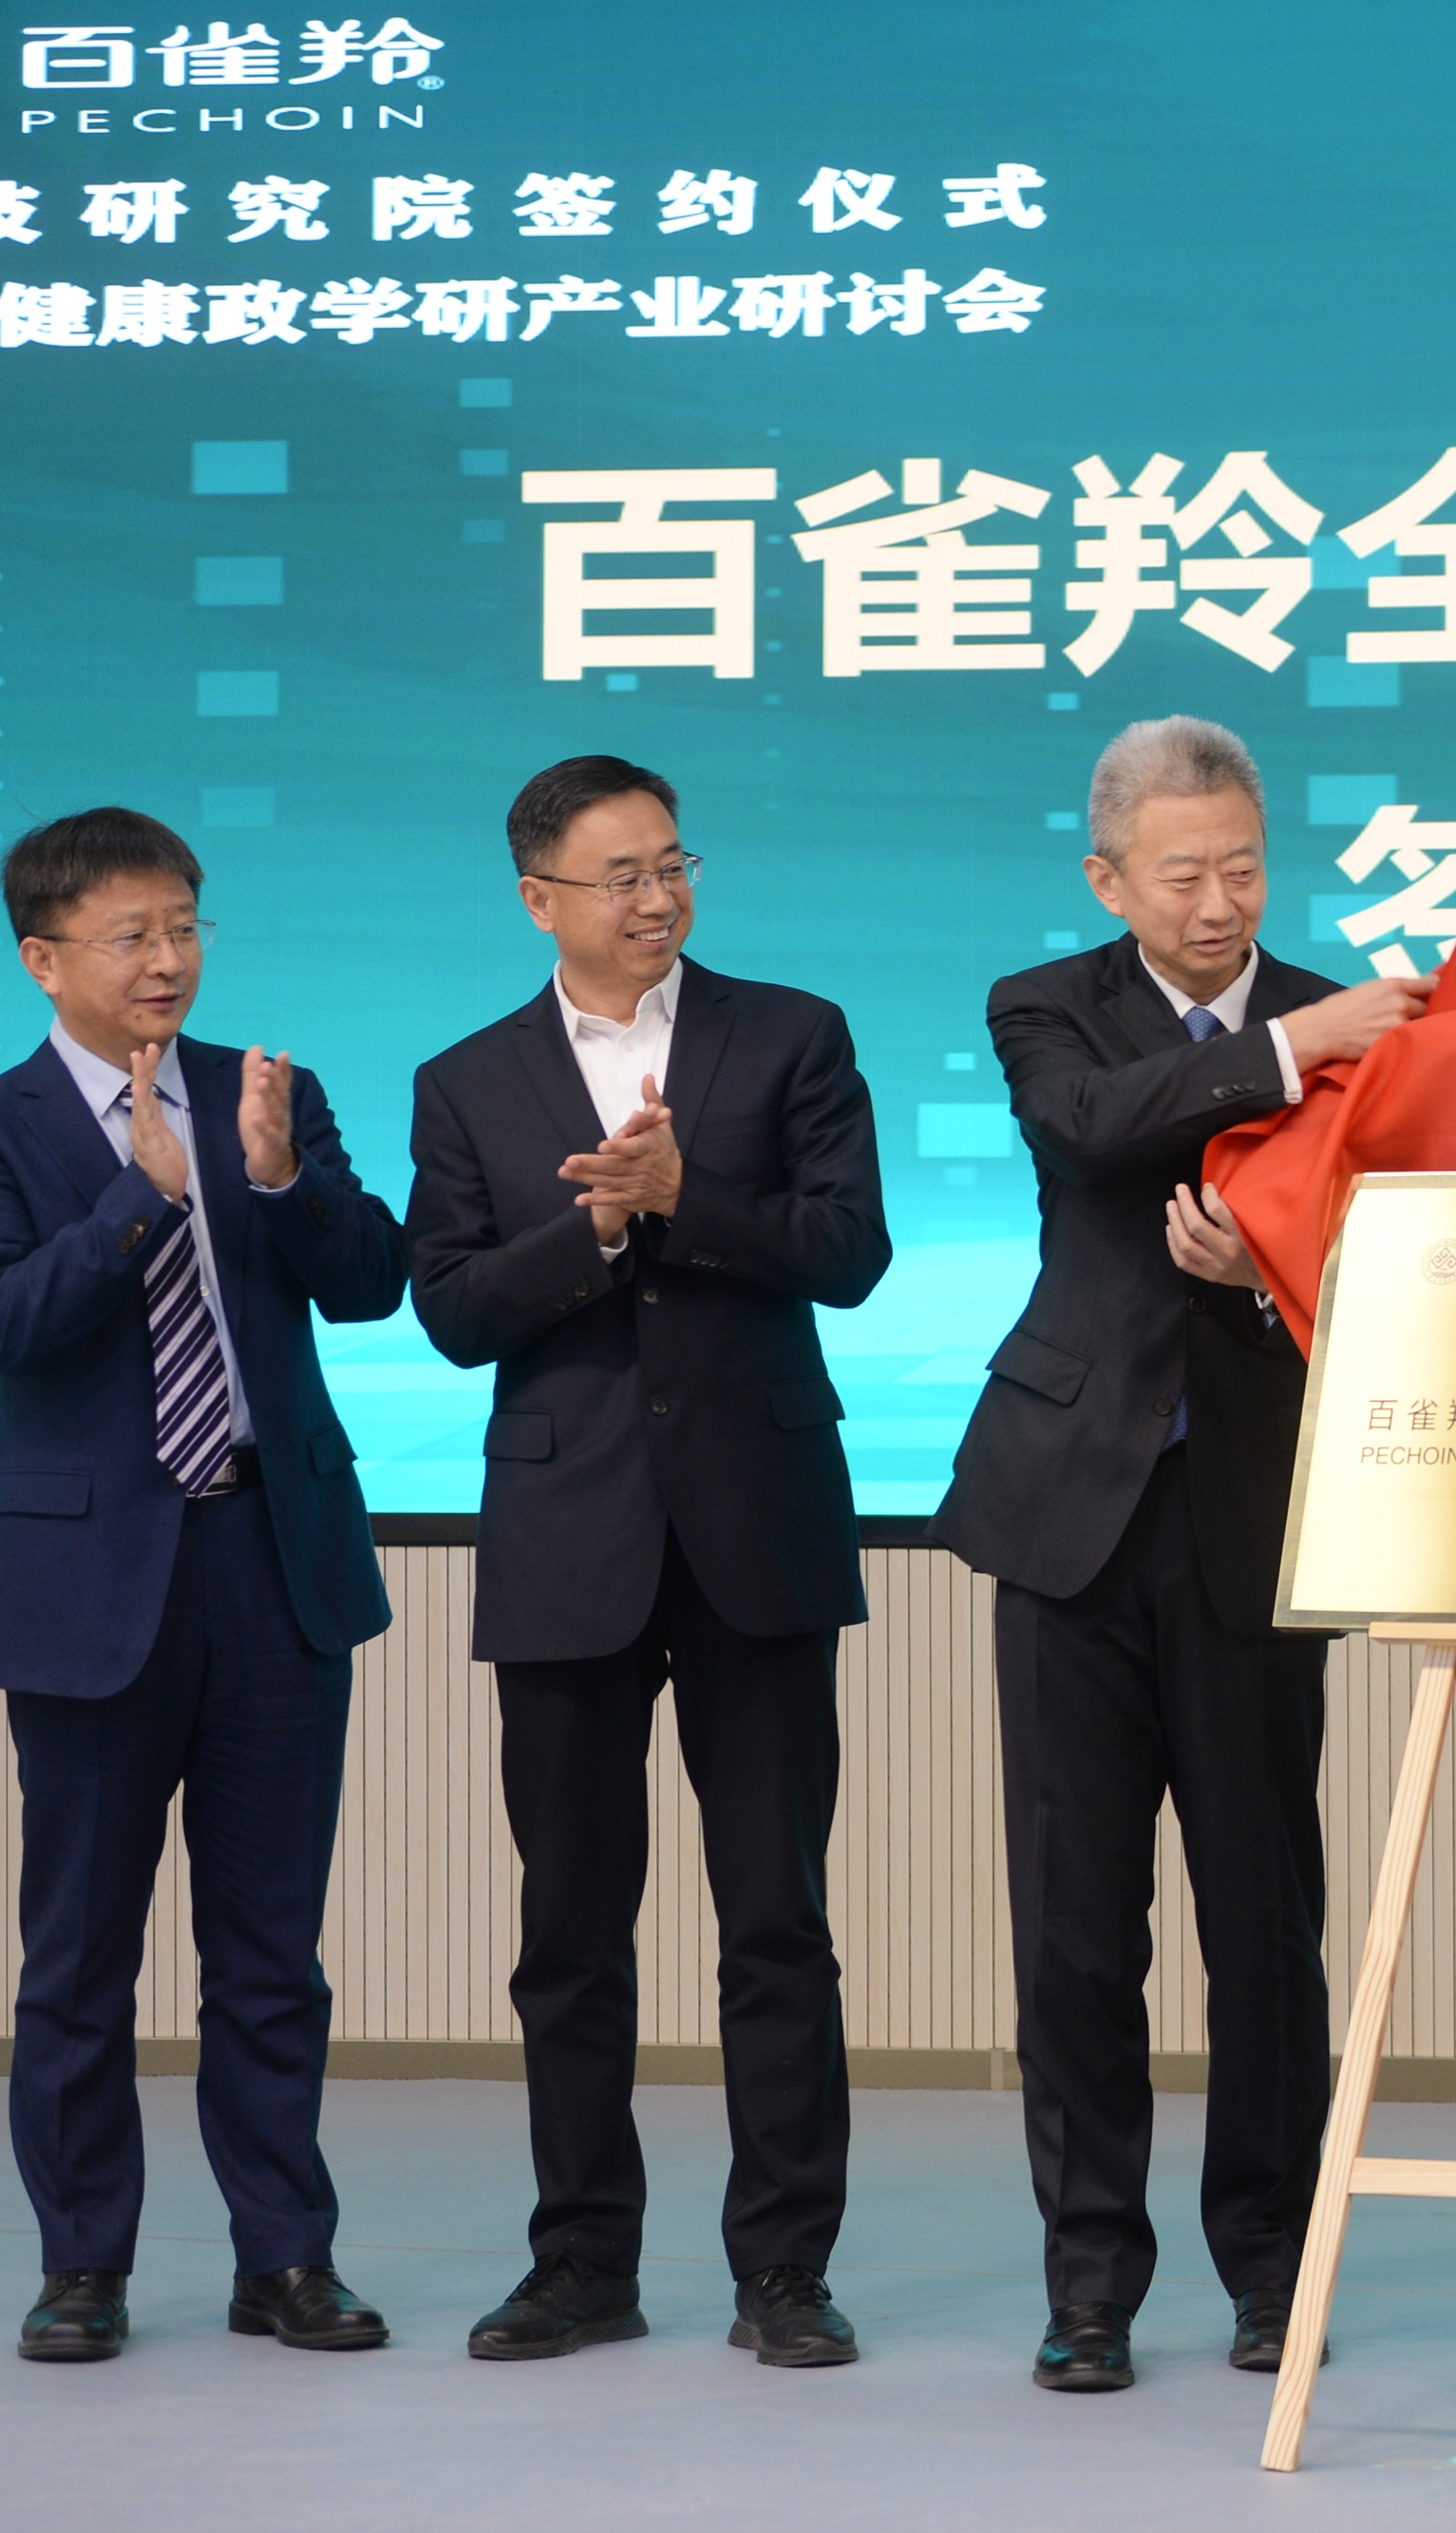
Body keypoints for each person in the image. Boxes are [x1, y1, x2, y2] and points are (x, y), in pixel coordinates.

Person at [931, 716, 1427, 2393]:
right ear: (1109, 878)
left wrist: (1268, 1282)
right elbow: (1090, 1128)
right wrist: (1287, 1056)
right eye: (1183, 875)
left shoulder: (1355, 1023)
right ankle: (1090, 2287)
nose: (1219, 905)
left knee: (1264, 1923)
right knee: (1077, 1929)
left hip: (1255, 1518)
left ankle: (1275, 2270)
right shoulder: (1047, 1006)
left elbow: (1397, 1267)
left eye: (1243, 870)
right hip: (1068, 1520)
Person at [405, 755, 891, 2369]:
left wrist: (692, 1197)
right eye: (620, 875)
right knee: (570, 1934)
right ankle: (581, 2264)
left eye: (673, 864)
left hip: (759, 1522)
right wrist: (599, 1231)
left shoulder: (792, 1034)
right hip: (568, 1537)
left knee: (777, 1923)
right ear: (538, 897)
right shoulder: (467, 1080)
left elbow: (852, 1255)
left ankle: (785, 2273)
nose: (657, 897)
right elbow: (453, 1310)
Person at [3, 808, 407, 2364]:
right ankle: (83, 2263)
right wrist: (136, 1204)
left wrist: (282, 1179)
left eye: (185, 926)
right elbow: (12, 1327)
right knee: (78, 1956)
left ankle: (285, 2256)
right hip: (90, 1587)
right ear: (43, 960)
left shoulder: (265, 1090)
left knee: (269, 1951)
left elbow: (368, 1283)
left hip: (268, 1561)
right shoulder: (7, 1126)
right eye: (132, 935)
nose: (168, 959)